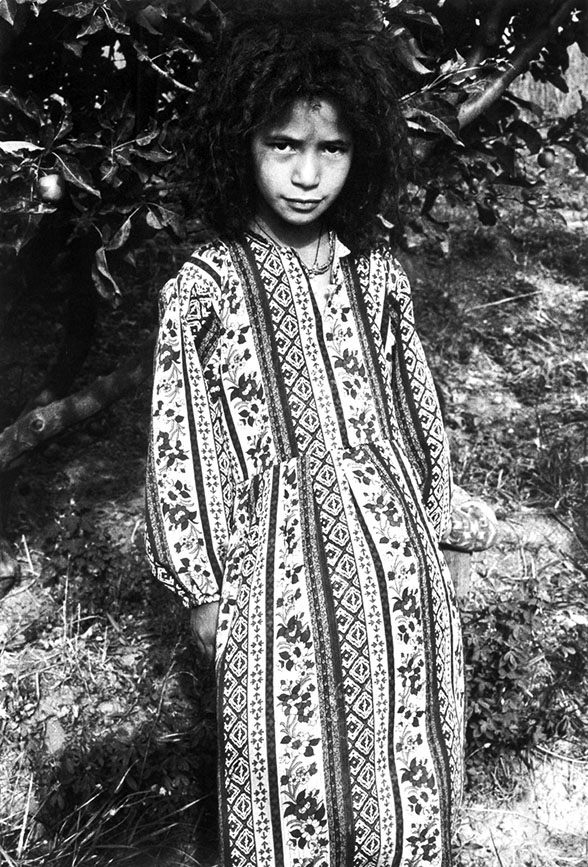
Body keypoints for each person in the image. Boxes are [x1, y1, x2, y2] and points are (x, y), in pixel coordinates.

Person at [145, 2, 475, 864]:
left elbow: (414, 410)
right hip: (275, 573)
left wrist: (437, 528)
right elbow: (185, 438)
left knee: (407, 757)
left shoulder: (378, 276)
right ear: (241, 144)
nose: (306, 173)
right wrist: (202, 585)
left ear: (361, 153)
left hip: (395, 568)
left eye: (332, 149)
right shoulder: (207, 286)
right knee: (285, 765)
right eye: (283, 144)